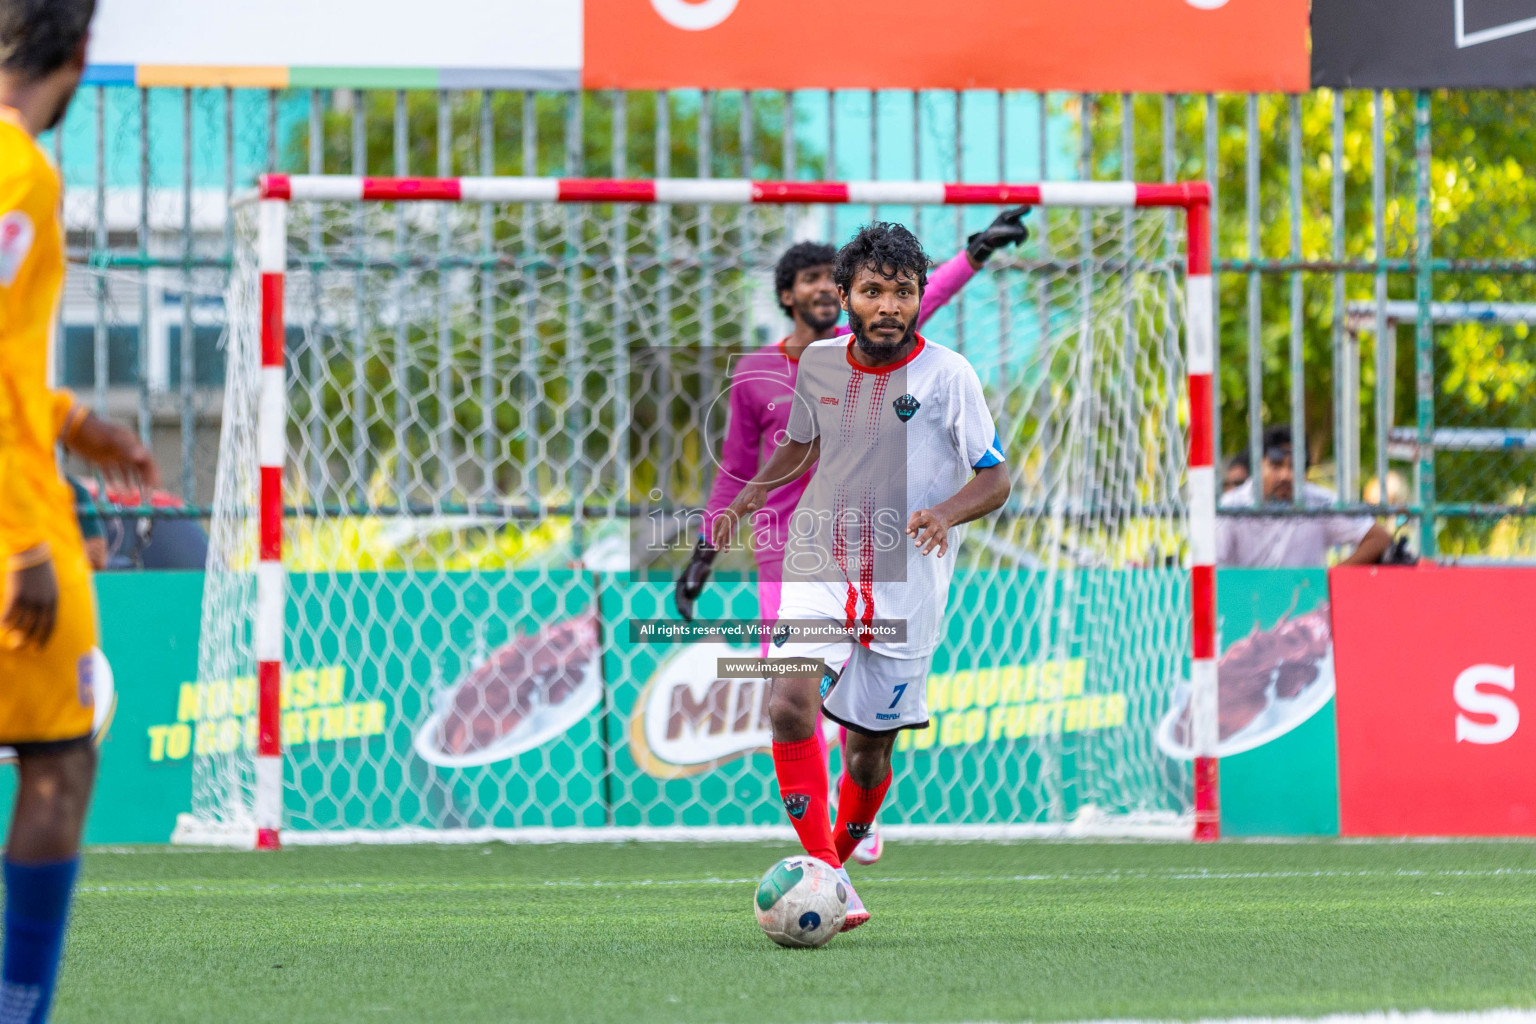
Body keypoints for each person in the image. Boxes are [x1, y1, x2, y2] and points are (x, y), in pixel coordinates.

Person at [675, 210, 1029, 864]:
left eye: (903, 292)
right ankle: (827, 873)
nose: (889, 305)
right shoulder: (817, 363)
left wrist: (945, 514)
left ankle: (844, 848)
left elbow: (997, 479)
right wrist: (740, 506)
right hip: (817, 560)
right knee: (787, 704)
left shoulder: (950, 377)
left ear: (919, 295)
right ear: (845, 299)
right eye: (871, 292)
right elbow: (799, 445)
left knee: (868, 754)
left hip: (907, 584)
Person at [1, 2, 162, 1020]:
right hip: (14, 517)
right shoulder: (21, 171)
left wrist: (71, 420)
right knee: (59, 765)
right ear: (83, 54)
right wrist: (22, 540)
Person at [1217, 425, 1391, 568]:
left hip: (1306, 607)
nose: (1286, 475)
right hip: (1245, 605)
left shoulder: (1320, 503)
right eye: (1276, 465)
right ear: (1257, 466)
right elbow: (1211, 567)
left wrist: (1330, 580)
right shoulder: (1232, 506)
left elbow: (1379, 538)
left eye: (1294, 467)